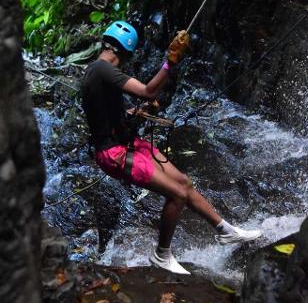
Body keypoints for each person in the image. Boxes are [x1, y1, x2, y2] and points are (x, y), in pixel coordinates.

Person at [81, 21, 262, 275]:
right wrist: (169, 62)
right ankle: (162, 254)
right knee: (176, 194)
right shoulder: (102, 70)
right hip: (115, 154)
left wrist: (135, 113)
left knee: (184, 183)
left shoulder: (96, 74)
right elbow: (147, 90)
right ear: (124, 53)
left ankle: (225, 230)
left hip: (126, 145)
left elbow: (116, 113)